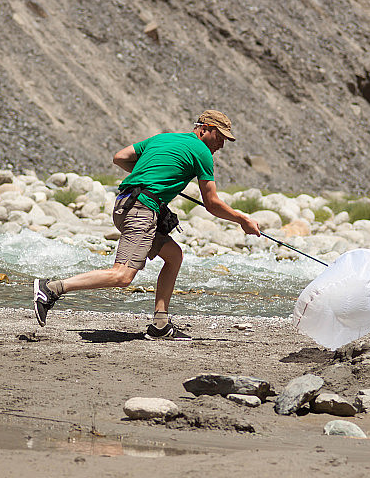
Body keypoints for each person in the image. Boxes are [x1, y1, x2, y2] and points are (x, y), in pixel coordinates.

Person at [33, 110, 261, 340]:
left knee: (173, 255)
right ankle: (52, 288)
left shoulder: (163, 138)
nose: (221, 144)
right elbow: (211, 203)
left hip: (124, 205)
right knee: (122, 276)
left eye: (225, 139)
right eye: (219, 136)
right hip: (141, 210)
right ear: (203, 129)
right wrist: (243, 220)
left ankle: (161, 324)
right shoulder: (202, 152)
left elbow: (120, 157)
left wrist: (150, 175)